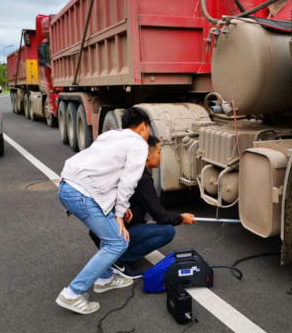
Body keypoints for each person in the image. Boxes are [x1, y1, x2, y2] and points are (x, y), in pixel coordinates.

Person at [55, 107, 151, 315]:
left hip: (67, 187)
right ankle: (72, 293)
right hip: (83, 194)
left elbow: (106, 172)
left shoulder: (109, 135)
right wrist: (119, 215)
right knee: (118, 242)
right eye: (148, 129)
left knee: (110, 236)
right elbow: (128, 181)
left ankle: (105, 278)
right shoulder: (139, 144)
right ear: (143, 127)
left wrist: (119, 208)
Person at [89, 135, 196, 279]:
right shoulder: (142, 177)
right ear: (146, 156)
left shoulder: (127, 170)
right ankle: (119, 259)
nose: (161, 157)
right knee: (167, 231)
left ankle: (113, 253)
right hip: (114, 234)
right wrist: (181, 218)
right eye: (158, 152)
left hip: (100, 232)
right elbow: (160, 216)